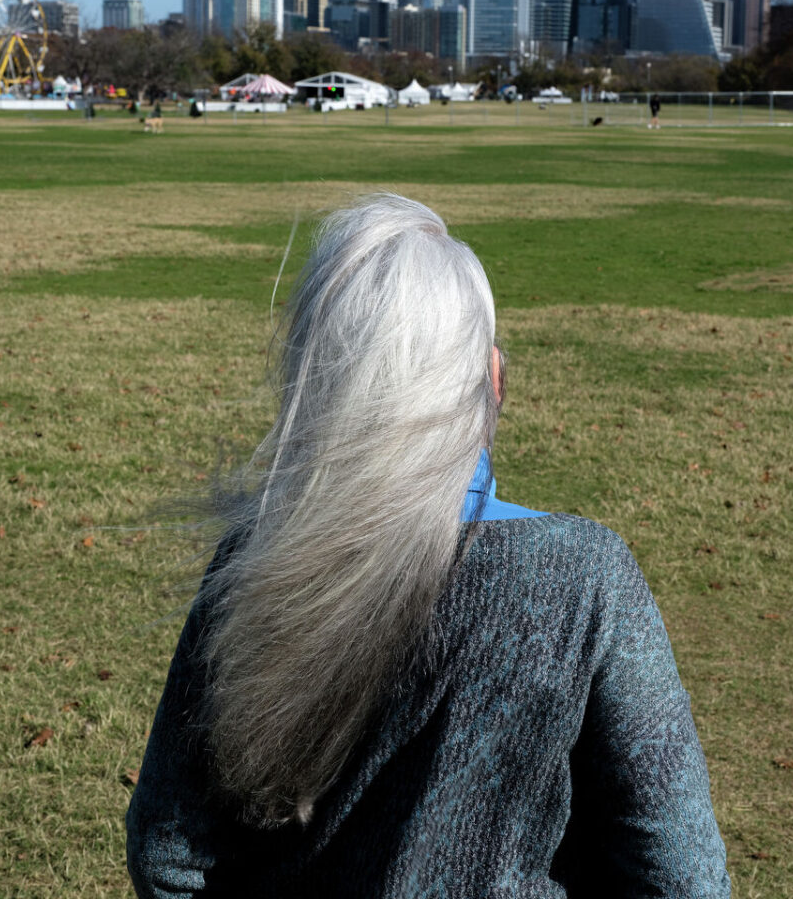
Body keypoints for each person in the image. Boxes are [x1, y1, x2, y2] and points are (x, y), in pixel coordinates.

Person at [126, 195, 731, 897]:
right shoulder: (583, 577)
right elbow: (682, 874)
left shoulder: (250, 562)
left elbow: (167, 856)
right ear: (491, 377)